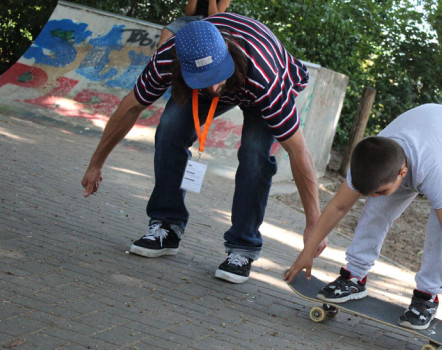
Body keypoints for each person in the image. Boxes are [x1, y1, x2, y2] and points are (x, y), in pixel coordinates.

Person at [82, 15, 326, 284]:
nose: (212, 87)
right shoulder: (168, 58)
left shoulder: (266, 80)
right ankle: (167, 225)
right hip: (217, 74)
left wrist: (314, 224)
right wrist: (96, 163)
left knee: (254, 155)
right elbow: (131, 106)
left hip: (258, 77)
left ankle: (242, 248)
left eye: (215, 75)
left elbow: (298, 151)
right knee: (170, 127)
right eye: (201, 78)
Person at [284, 104, 442, 339]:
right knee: (376, 210)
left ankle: (427, 296)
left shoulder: (434, 170)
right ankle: (354, 276)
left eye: (381, 190)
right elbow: (339, 206)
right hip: (428, 136)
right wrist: (307, 251)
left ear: (402, 174)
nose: (375, 195)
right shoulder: (370, 159)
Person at [158, 0, 231, 48]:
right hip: (192, 19)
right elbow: (189, 13)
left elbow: (215, 18)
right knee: (167, 31)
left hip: (210, 23)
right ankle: (156, 60)